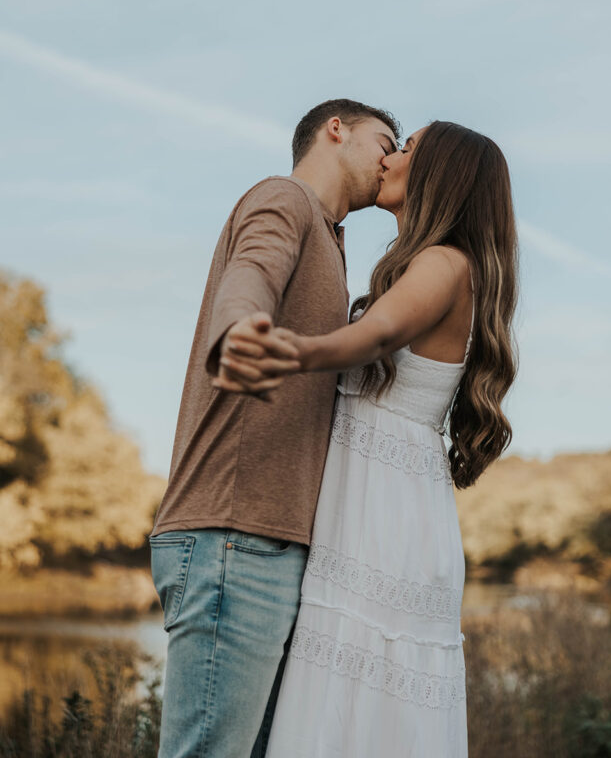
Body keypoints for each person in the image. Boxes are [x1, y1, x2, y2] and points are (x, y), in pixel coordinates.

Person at [216, 121, 518, 757]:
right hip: (380, 503)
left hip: (386, 513)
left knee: (355, 708)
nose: (390, 158)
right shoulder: (427, 264)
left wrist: (292, 350)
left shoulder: (445, 262)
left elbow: (377, 336)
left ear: (440, 176)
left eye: (406, 149)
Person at [150, 98, 401, 758]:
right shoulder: (283, 200)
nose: (392, 156)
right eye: (386, 138)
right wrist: (238, 329)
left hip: (262, 543)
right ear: (335, 129)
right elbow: (251, 272)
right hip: (234, 538)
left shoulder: (333, 240)